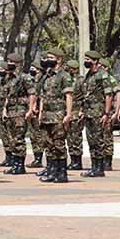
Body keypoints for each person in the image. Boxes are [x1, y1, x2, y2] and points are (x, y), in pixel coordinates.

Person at [37, 49, 74, 184]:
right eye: (47, 58)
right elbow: (42, 97)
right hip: (47, 115)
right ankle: (52, 171)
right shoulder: (47, 76)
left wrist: (68, 115)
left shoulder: (64, 76)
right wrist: (40, 114)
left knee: (59, 144)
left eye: (51, 57)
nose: (48, 60)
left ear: (58, 59)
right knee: (49, 144)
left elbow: (69, 96)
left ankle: (62, 173)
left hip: (58, 115)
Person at [79, 51, 115, 178]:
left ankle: (99, 168)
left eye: (88, 59)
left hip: (98, 112)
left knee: (98, 140)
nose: (85, 61)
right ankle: (94, 166)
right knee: (91, 140)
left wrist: (106, 113)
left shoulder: (102, 75)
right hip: (89, 112)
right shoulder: (89, 75)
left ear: (95, 61)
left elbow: (108, 94)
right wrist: (83, 110)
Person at [1, 52, 36, 175]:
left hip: (20, 111)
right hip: (10, 111)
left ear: (18, 64)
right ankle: (15, 163)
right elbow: (7, 96)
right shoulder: (8, 78)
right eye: (8, 62)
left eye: (12, 62)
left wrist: (30, 110)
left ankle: (20, 165)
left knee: (18, 138)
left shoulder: (24, 77)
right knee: (11, 139)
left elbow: (32, 93)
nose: (9, 64)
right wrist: (4, 110)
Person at [64, 59, 85, 170]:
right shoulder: (66, 79)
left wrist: (82, 110)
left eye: (73, 69)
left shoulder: (80, 81)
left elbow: (85, 97)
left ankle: (77, 161)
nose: (71, 70)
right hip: (68, 111)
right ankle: (72, 160)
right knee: (69, 138)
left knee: (76, 137)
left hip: (77, 111)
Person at [26, 58, 46, 168]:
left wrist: (38, 109)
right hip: (32, 112)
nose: (32, 70)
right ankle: (36, 157)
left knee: (38, 135)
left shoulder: (42, 81)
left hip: (38, 111)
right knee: (33, 135)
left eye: (34, 68)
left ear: (38, 70)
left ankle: (39, 158)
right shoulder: (33, 81)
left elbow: (41, 97)